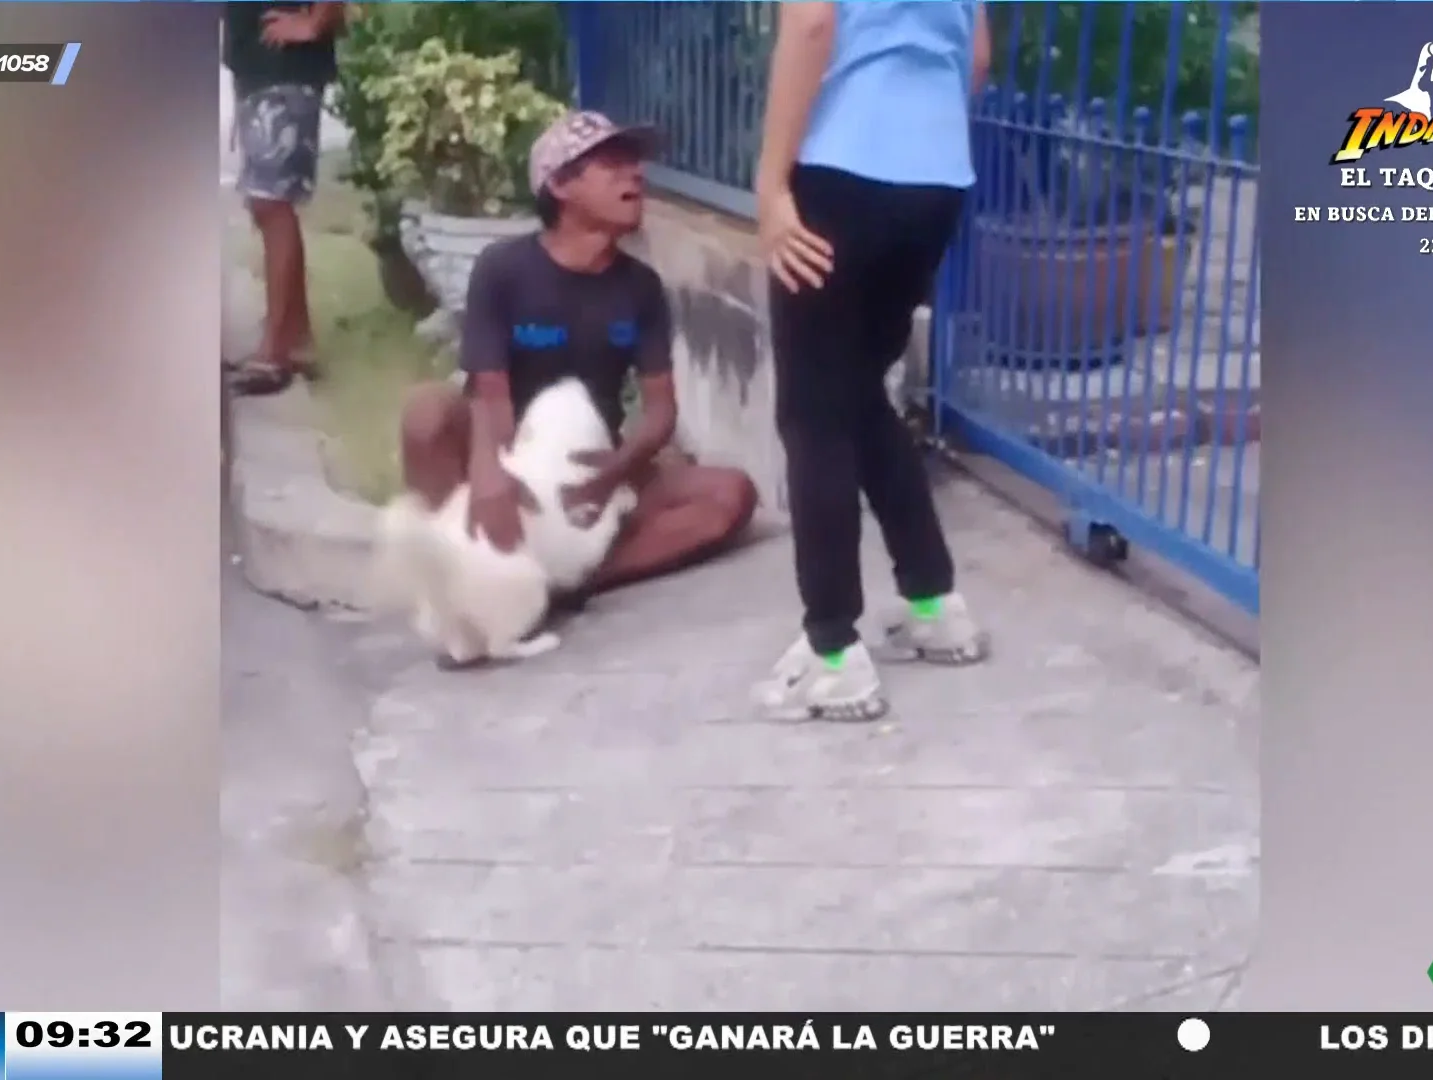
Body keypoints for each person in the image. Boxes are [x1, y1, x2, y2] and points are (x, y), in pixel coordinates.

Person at [397, 111, 759, 628]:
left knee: (730, 495)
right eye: (610, 165)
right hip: (510, 460)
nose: (633, 175)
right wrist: (492, 473)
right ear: (560, 185)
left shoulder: (641, 287)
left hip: (595, 471)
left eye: (634, 164)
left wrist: (617, 470)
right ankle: (459, 587)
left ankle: (567, 583)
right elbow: (487, 391)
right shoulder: (503, 269)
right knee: (427, 415)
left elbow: (661, 409)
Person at [750, 1, 994, 721]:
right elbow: (976, 55)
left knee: (812, 410)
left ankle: (831, 650)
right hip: (937, 177)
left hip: (842, 166)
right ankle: (932, 601)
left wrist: (771, 183)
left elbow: (813, 22)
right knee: (857, 391)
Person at [222, 2, 346, 397]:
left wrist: (315, 21)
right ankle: (298, 340)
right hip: (260, 63)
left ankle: (274, 351)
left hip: (284, 67)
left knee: (271, 202)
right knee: (266, 202)